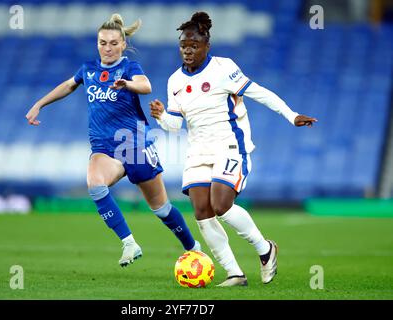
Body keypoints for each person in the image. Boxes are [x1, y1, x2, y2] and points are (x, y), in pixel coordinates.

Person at [150, 12, 317, 286]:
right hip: (197, 151)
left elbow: (259, 92)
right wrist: (161, 117)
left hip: (229, 145)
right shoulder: (174, 81)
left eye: (194, 45)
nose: (188, 50)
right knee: (202, 211)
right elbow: (175, 126)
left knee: (221, 205)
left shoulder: (223, 68)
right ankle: (234, 273)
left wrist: (292, 115)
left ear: (206, 46)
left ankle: (265, 250)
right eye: (183, 45)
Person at [26, 13, 201, 267]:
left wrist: (127, 84)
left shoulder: (129, 67)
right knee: (95, 183)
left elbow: (146, 86)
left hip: (135, 146)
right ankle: (129, 242)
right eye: (102, 43)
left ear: (123, 45)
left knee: (162, 210)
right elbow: (67, 85)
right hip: (104, 147)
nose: (107, 48)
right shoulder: (88, 69)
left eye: (113, 43)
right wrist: (39, 104)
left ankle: (193, 248)